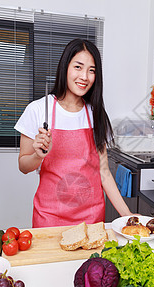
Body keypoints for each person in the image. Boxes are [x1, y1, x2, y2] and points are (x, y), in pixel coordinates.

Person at [14, 38, 133, 228]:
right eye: (78, 67)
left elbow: (104, 172)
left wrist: (127, 215)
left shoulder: (95, 113)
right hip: (50, 217)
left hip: (91, 218)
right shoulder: (37, 109)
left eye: (91, 70)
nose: (84, 76)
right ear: (65, 67)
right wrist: (38, 155)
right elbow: (23, 166)